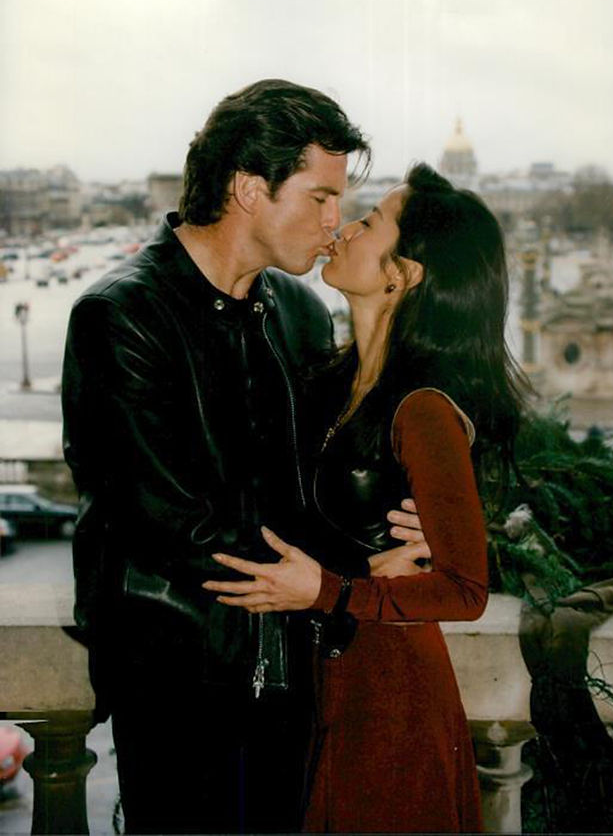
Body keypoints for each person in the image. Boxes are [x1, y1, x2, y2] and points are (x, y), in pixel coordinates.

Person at [61, 79, 427, 835]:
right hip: (178, 680)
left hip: (290, 665)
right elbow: (172, 520)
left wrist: (404, 531)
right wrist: (351, 573)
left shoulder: (298, 310)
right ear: (250, 189)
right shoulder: (120, 315)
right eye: (321, 197)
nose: (334, 223)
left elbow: (316, 485)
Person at [205, 164, 526, 833]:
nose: (346, 228)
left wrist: (325, 590)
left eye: (370, 222)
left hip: (388, 698)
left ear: (401, 274)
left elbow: (466, 590)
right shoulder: (334, 382)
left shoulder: (423, 409)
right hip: (327, 685)